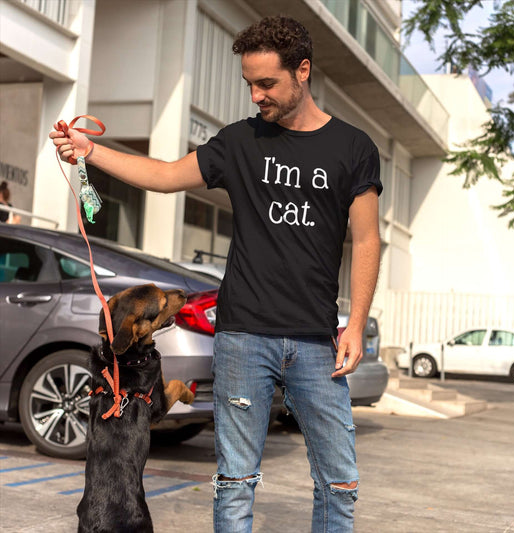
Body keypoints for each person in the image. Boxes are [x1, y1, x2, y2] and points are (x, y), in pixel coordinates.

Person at [50, 15, 382, 532]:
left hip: (318, 342)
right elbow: (162, 176)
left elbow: (366, 240)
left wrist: (355, 325)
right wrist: (90, 152)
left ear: (303, 71)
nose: (256, 95)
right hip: (243, 337)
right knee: (235, 483)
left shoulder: (353, 147)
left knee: (339, 482)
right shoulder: (238, 142)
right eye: (249, 84)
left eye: (267, 83)